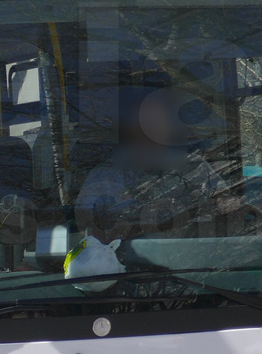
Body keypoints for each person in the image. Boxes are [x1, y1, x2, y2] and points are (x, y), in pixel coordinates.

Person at [75, 81, 234, 240]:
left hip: (190, 256)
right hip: (122, 260)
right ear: (131, 129)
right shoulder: (105, 175)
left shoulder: (193, 166)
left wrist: (222, 202)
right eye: (144, 124)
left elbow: (225, 205)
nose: (151, 132)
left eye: (158, 124)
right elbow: (86, 231)